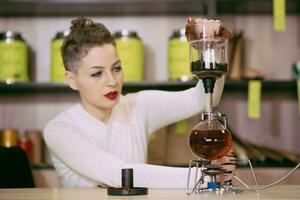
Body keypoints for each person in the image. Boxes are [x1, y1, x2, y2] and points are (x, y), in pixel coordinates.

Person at [43, 17, 232, 188]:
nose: (112, 81)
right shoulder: (59, 130)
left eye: (116, 68)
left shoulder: (137, 106)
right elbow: (118, 175)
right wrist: (208, 176)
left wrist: (210, 48)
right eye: (97, 73)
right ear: (71, 79)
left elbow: (203, 98)